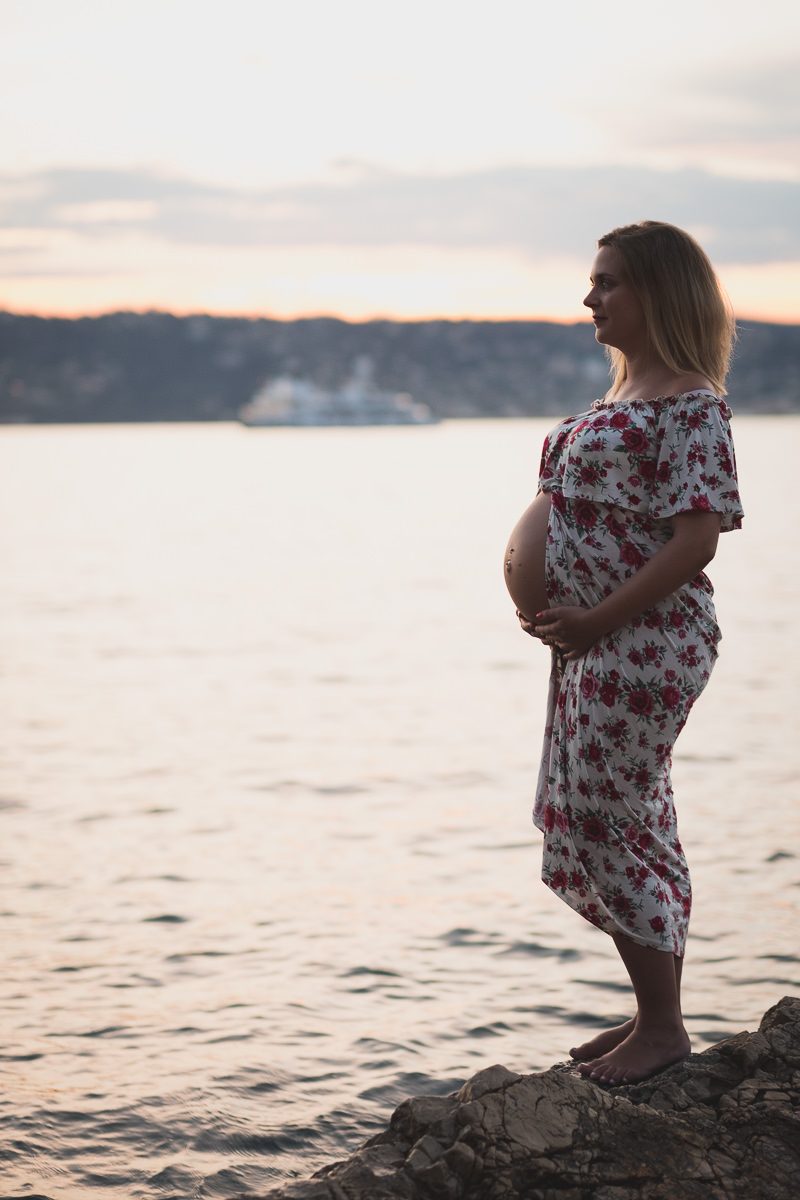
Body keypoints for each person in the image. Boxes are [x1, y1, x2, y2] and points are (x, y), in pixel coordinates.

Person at [508, 221, 744, 1085]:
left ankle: (664, 1028)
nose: (590, 297)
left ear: (658, 291)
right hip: (590, 641)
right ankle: (656, 1012)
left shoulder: (691, 403)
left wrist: (601, 617)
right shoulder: (616, 401)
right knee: (605, 812)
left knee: (609, 815)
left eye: (608, 281)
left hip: (643, 639)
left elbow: (696, 540)